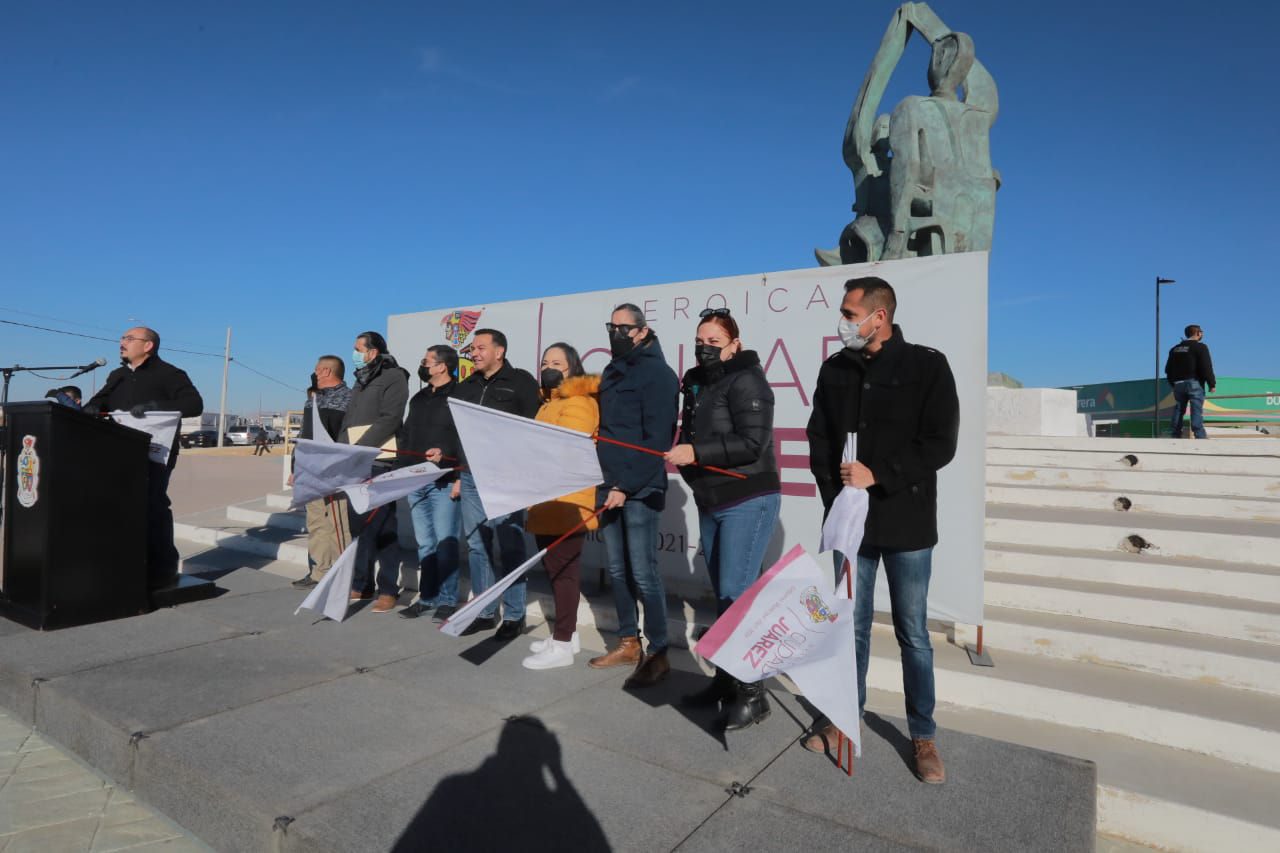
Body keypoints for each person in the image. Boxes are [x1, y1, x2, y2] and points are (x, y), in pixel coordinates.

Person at [805, 277, 959, 785]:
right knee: (850, 627)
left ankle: (923, 735)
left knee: (913, 633)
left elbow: (940, 443)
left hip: (908, 523)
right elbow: (820, 438)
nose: (844, 321)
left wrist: (880, 476)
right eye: (844, 313)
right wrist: (838, 500)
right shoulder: (835, 369)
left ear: (880, 316)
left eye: (851, 313)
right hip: (853, 526)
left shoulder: (926, 365)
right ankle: (844, 720)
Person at [666, 309, 780, 727]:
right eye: (700, 339)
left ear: (734, 344)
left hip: (748, 496)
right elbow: (692, 435)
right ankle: (727, 681)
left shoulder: (748, 380)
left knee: (737, 594)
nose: (705, 347)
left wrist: (696, 454)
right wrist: (686, 457)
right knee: (724, 593)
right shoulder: (696, 383)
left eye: (715, 341)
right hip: (710, 499)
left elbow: (753, 442)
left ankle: (754, 694)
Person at [590, 304, 679, 688]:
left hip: (638, 488)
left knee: (643, 571)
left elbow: (657, 440)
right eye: (611, 326)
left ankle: (658, 652)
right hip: (606, 482)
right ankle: (629, 642)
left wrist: (625, 487)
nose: (616, 332)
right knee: (617, 569)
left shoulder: (659, 374)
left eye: (623, 327)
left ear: (642, 331)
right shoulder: (611, 370)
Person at [84, 327, 204, 590]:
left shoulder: (170, 374)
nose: (121, 343)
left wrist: (154, 407)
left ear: (148, 345)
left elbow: (194, 404)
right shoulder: (118, 376)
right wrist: (93, 407)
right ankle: (124, 565)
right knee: (118, 509)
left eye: (128, 339)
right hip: (116, 453)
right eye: (122, 338)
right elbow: (99, 402)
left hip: (154, 454)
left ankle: (163, 570)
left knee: (153, 507)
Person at [452, 329, 541, 639]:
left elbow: (535, 429)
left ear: (499, 351)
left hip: (507, 477)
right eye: (472, 348)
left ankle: (515, 616)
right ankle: (486, 611)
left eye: (480, 347)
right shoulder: (467, 386)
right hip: (471, 476)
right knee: (477, 545)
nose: (474, 353)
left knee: (510, 543)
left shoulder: (521, 382)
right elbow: (457, 431)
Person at [522, 343, 600, 670]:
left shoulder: (580, 402)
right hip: (547, 498)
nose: (550, 367)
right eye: (545, 362)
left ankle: (564, 643)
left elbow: (566, 444)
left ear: (572, 369)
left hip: (568, 501)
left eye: (558, 363)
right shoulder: (547, 404)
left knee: (565, 573)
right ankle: (565, 635)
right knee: (556, 572)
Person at [339, 331, 410, 613]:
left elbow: (391, 418)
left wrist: (361, 447)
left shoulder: (394, 377)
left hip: (379, 460)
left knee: (383, 526)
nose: (354, 353)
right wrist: (343, 451)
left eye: (358, 349)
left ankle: (389, 589)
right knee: (359, 526)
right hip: (354, 461)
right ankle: (362, 581)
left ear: (373, 352)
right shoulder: (360, 379)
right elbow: (349, 420)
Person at [398, 345, 463, 622]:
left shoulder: (460, 396)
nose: (423, 365)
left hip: (445, 481)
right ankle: (428, 598)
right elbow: (408, 434)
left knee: (446, 543)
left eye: (427, 361)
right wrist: (401, 473)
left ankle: (448, 601)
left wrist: (455, 469)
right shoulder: (419, 397)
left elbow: (464, 437)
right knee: (425, 544)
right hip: (417, 479)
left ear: (442, 366)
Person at [290, 356, 352, 590]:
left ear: (326, 371)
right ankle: (319, 572)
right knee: (316, 523)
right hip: (309, 471)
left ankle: (340, 574)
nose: (313, 373)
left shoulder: (349, 398)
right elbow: (305, 436)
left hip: (335, 472)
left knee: (338, 524)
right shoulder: (312, 400)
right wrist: (295, 467)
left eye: (316, 369)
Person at [1165, 324, 1216, 439]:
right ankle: (1199, 434)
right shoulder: (1201, 347)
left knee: (1179, 409)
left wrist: (1173, 383)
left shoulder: (1174, 349)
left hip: (1178, 384)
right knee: (1196, 409)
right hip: (1194, 382)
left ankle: (1175, 434)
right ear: (1198, 333)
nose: (1202, 334)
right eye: (1201, 332)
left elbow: (1167, 369)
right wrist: (1211, 384)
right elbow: (1206, 367)